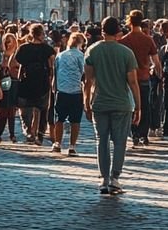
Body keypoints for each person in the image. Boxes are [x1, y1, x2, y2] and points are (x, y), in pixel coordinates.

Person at [82, 17, 142, 195]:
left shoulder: (92, 51)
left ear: (102, 31)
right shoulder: (126, 53)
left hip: (99, 102)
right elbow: (133, 82)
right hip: (122, 103)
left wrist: (86, 102)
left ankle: (103, 179)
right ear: (118, 32)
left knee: (102, 141)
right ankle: (115, 178)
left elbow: (88, 81)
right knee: (120, 142)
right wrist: (139, 107)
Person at [120, 11, 161, 147]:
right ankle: (144, 134)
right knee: (145, 106)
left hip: (128, 78)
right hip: (144, 77)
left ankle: (134, 133)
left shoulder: (124, 41)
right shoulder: (148, 39)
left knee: (131, 106)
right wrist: (158, 74)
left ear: (129, 22)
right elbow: (156, 61)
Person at [10, 23, 55, 145]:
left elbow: (13, 62)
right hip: (43, 82)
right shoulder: (47, 49)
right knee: (43, 109)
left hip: (26, 81)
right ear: (40, 34)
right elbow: (53, 64)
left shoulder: (23, 48)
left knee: (25, 110)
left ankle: (29, 131)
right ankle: (40, 134)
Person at [52, 31, 87, 155]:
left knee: (59, 119)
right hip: (76, 91)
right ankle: (72, 146)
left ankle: (57, 143)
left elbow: (55, 72)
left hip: (62, 90)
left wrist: (55, 87)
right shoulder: (80, 56)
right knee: (75, 120)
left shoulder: (60, 55)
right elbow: (84, 73)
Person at [0, 32, 20, 143]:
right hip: (3, 82)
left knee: (12, 110)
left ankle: (12, 134)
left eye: (10, 41)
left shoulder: (17, 54)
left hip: (13, 83)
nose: (8, 44)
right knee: (2, 109)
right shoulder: (1, 54)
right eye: (6, 41)